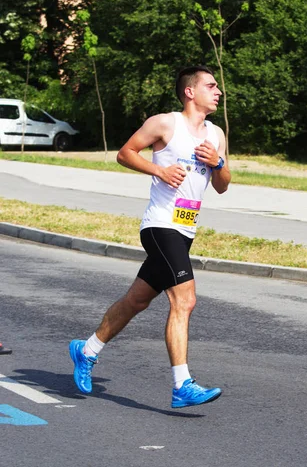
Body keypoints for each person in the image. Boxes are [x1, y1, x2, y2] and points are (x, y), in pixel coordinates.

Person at [69, 65, 231, 408]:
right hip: (160, 226)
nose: (218, 91)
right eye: (211, 86)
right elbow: (125, 153)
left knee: (136, 301)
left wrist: (217, 164)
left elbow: (222, 185)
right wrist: (158, 169)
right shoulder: (165, 123)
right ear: (190, 91)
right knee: (184, 301)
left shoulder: (216, 134)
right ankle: (181, 384)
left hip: (185, 230)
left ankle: (86, 350)